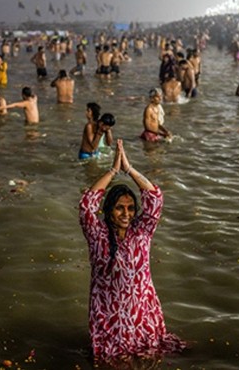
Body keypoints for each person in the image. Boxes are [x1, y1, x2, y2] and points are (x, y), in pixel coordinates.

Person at [78, 139, 186, 362]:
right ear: (108, 211)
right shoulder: (97, 234)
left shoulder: (142, 232)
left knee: (147, 360)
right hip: (109, 319)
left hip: (142, 315)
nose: (126, 213)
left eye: (130, 208)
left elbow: (155, 198)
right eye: (119, 208)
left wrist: (129, 170)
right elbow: (87, 205)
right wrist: (112, 171)